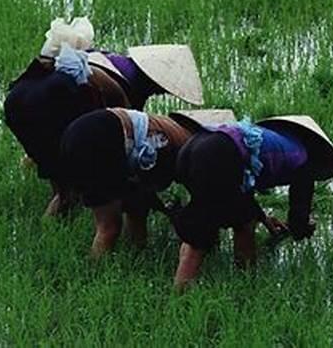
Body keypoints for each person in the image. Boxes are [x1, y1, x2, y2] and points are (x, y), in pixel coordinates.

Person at [3, 18, 205, 215]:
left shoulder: (111, 60)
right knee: (69, 191)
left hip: (18, 98)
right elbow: (118, 138)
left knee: (60, 172)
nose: (160, 93)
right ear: (154, 81)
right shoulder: (128, 87)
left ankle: (50, 222)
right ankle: (53, 227)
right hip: (50, 102)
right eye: (162, 89)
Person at [170, 115, 333, 289]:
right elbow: (299, 220)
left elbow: (245, 191)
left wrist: (264, 219)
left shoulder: (275, 139)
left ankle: (196, 282)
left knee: (206, 214)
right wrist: (303, 227)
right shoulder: (302, 160)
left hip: (192, 147)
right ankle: (244, 283)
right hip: (217, 155)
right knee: (234, 227)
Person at [57, 108, 235, 256]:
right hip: (102, 138)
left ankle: (133, 255)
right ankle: (92, 277)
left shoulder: (168, 128)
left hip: (77, 130)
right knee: (109, 226)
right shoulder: (185, 147)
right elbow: (184, 199)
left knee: (136, 205)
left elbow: (144, 193)